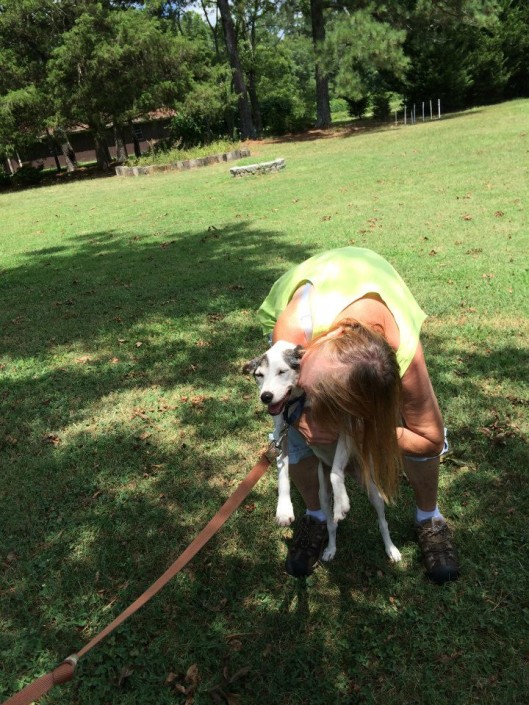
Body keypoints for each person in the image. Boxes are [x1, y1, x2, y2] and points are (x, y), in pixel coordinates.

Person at [257, 246, 460, 584]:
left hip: (372, 298)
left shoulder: (404, 351)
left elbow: (429, 439)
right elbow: (285, 400)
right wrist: (302, 421)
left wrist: (367, 433)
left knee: (414, 433)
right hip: (317, 303)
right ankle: (316, 516)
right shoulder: (293, 335)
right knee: (301, 432)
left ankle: (429, 518)